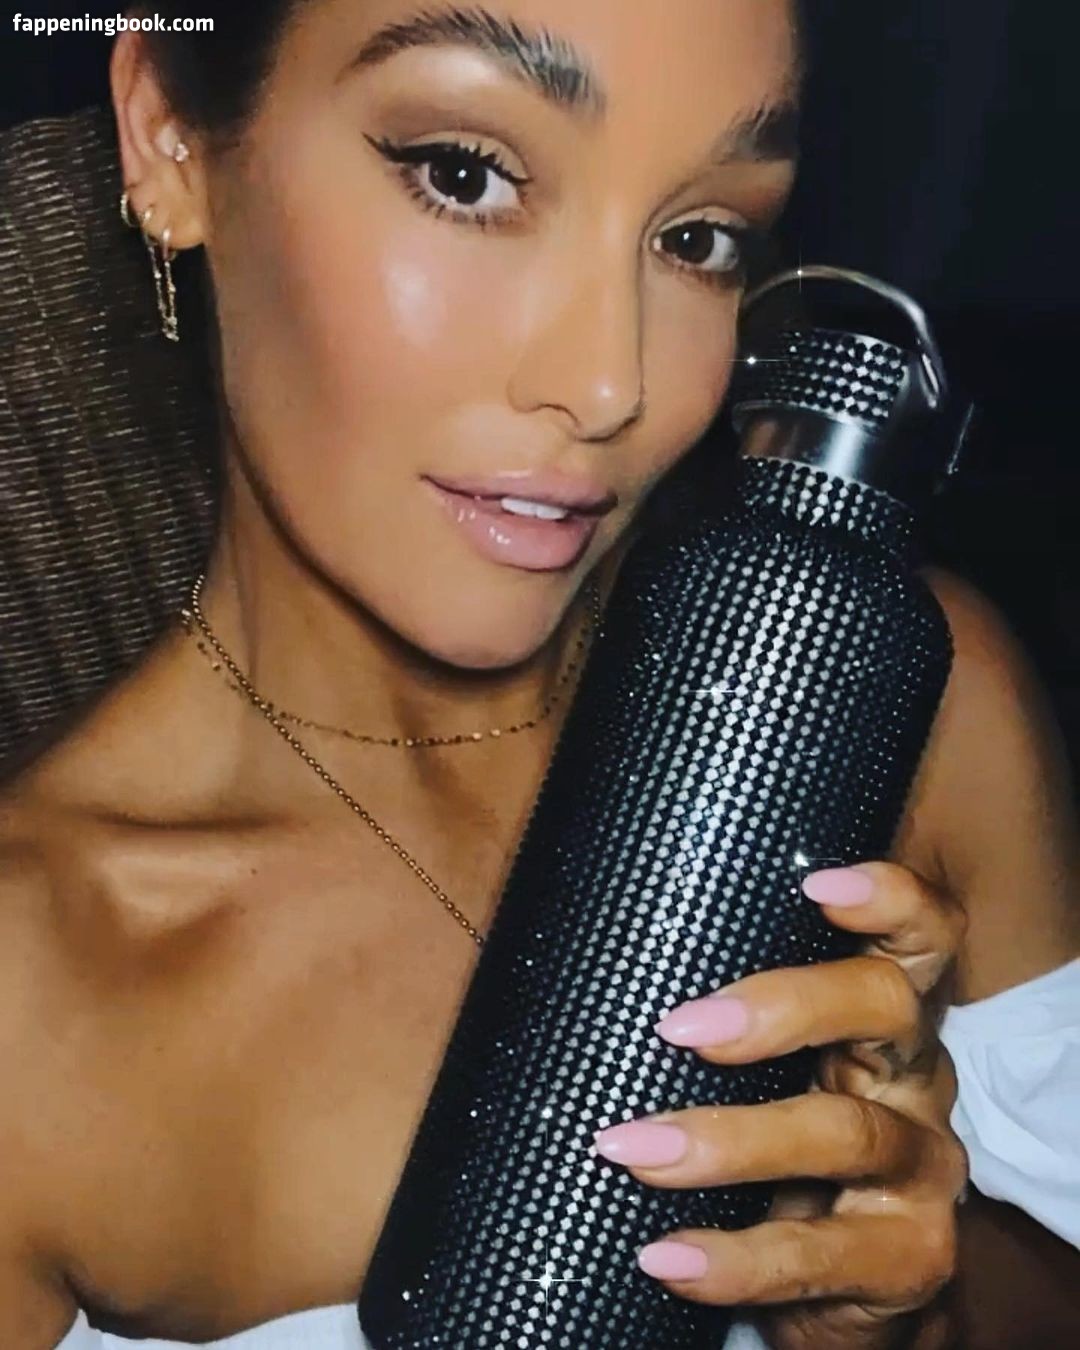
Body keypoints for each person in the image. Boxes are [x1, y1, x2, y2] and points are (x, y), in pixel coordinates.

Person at [0, 1, 1077, 1347]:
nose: (611, 382)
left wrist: (899, 1313)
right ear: (169, 136)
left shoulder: (896, 707)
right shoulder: (32, 1004)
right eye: (467, 175)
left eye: (700, 238)